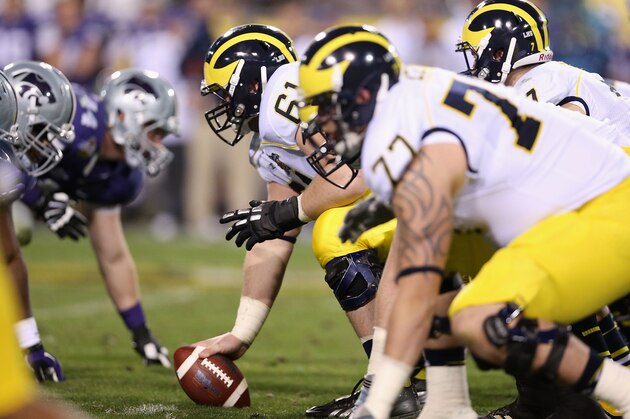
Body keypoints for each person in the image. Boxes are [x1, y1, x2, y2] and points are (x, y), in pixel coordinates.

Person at [297, 25, 630, 419]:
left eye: (326, 105)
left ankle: (621, 394)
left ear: (364, 94)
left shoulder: (420, 133)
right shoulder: (410, 103)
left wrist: (378, 400)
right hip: (556, 209)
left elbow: (416, 274)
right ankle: (447, 405)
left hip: (603, 208)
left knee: (484, 320)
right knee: (441, 294)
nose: (320, 121)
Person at [187, 24, 424, 418]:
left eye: (224, 90)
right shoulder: (269, 141)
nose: (222, 104)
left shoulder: (286, 99)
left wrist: (289, 212)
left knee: (335, 233)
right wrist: (241, 333)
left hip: (435, 192)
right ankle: (404, 384)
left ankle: (392, 385)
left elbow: (348, 184)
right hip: (408, 200)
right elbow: (273, 236)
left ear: (252, 80)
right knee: (338, 229)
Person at [458, 1, 630, 416]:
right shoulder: (554, 78)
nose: (470, 60)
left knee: (536, 252)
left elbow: (552, 165)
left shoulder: (539, 84)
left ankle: (602, 390)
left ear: (500, 49)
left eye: (474, 49)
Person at [5, 60, 176, 370]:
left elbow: (113, 255)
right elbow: (8, 151)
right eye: (155, 131)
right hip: (12, 190)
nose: (158, 144)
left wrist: (142, 334)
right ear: (124, 116)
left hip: (16, 192)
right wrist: (39, 198)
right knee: (18, 227)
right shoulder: (73, 121)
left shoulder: (122, 176)